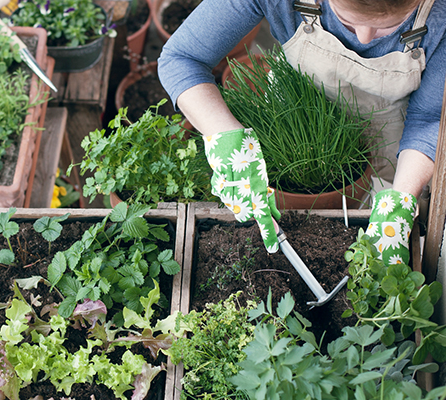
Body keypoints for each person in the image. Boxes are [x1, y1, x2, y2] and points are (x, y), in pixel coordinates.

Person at [158, 0, 446, 266]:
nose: (364, 38)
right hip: (296, 121)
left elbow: (430, 117)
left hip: (396, 139)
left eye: (389, 26)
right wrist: (225, 135)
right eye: (346, 20)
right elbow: (182, 57)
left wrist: (401, 199)